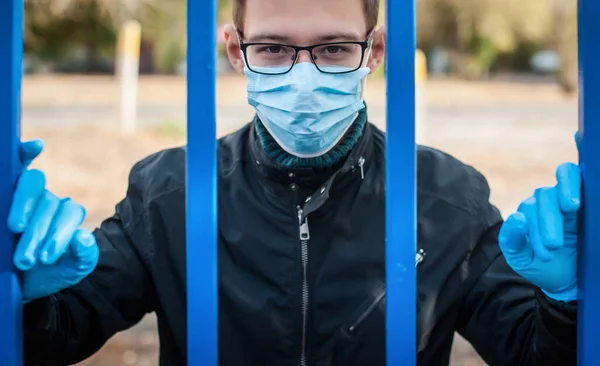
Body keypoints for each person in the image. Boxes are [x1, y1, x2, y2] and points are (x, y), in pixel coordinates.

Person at [11, 0, 579, 365]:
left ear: (374, 51)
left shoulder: (445, 199)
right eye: (273, 49)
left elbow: (532, 350)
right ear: (237, 51)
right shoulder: (170, 192)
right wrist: (27, 299)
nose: (302, 75)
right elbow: (55, 337)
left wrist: (566, 301)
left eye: (334, 49)